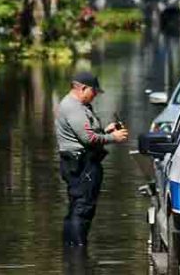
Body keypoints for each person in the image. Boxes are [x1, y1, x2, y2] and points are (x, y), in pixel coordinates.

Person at [55, 71, 129, 247]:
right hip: (81, 165)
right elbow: (88, 139)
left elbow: (87, 134)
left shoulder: (79, 106)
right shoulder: (73, 108)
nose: (95, 95)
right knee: (82, 207)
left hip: (80, 163)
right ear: (83, 88)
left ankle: (72, 249)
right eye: (94, 91)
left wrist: (106, 131)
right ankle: (77, 249)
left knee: (78, 206)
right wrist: (114, 138)